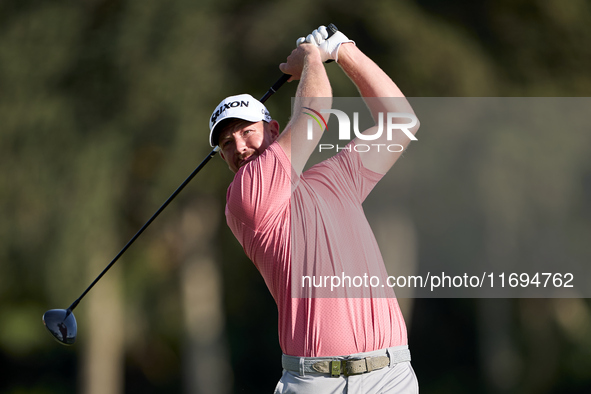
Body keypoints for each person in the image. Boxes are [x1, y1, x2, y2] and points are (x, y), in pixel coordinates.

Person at [208, 26, 420, 393]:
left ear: (274, 130)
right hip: (315, 381)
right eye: (226, 143)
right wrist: (310, 55)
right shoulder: (246, 196)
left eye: (246, 132)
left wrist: (343, 50)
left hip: (391, 374)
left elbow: (402, 123)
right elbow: (316, 108)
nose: (239, 146)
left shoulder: (336, 176)